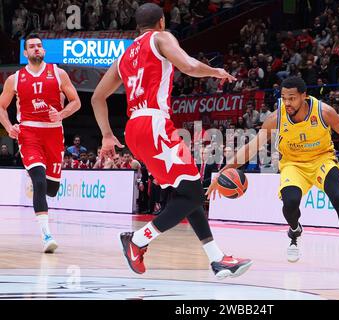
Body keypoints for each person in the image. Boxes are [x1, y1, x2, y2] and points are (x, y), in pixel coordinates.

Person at [91, 3, 251, 278]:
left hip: (134, 128)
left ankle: (217, 259)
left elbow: (96, 97)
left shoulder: (124, 56)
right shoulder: (161, 38)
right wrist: (215, 72)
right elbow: (188, 65)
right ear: (162, 23)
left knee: (187, 193)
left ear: (138, 26)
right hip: (154, 122)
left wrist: (106, 134)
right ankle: (138, 240)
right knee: (191, 193)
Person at [207, 76, 339, 275]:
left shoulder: (323, 112)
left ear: (304, 96)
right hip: (293, 164)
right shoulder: (275, 118)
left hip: (322, 160)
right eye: (284, 98)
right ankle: (295, 229)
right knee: (290, 202)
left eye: (292, 98)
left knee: (338, 196)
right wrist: (222, 173)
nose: (287, 103)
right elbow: (251, 147)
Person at [0, 33, 81, 253]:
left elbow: (76, 102)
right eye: (32, 47)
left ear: (43, 51)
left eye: (39, 46)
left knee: (52, 189)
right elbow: (1, 106)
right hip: (29, 133)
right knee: (39, 182)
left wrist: (61, 114)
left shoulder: (58, 73)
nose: (37, 49)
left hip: (54, 133)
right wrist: (9, 128)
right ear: (25, 53)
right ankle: (47, 235)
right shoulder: (14, 78)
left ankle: (41, 183)